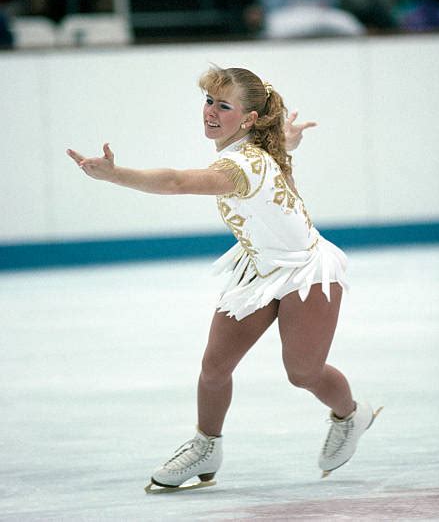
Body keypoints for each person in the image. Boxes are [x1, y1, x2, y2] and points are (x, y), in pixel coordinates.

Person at [66, 66, 382, 491]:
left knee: (303, 373)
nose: (211, 112)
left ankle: (350, 416)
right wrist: (289, 140)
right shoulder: (256, 145)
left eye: (224, 106)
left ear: (248, 119)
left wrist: (115, 175)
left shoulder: (242, 167)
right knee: (214, 368)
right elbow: (276, 150)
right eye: (209, 101)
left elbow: (178, 183)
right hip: (257, 267)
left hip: (305, 271)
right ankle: (206, 446)